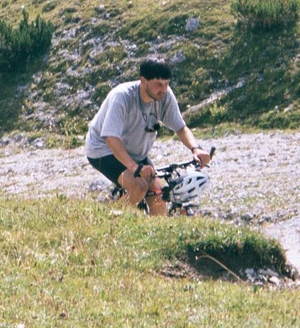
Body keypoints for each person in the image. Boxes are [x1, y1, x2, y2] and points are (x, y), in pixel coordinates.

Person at [85, 58, 212, 215]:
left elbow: (180, 128)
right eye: (159, 84)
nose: (164, 89)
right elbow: (110, 138)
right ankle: (109, 222)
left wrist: (195, 149)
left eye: (166, 83)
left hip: (136, 152)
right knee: (139, 186)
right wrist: (135, 167)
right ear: (143, 81)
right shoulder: (122, 97)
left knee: (158, 194)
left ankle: (155, 233)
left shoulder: (164, 96)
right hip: (103, 149)